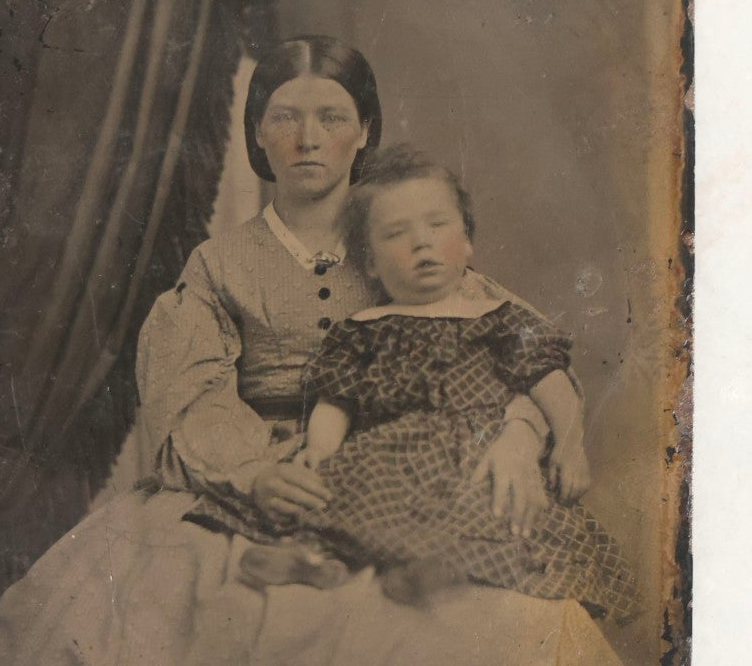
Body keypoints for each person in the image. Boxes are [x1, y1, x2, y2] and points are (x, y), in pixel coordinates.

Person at [0, 36, 654, 666]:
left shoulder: (404, 236)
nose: (308, 139)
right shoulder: (218, 263)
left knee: (509, 631)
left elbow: (517, 344)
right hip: (247, 479)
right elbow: (191, 388)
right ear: (256, 134)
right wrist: (254, 470)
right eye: (284, 118)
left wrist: (517, 434)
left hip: (410, 487)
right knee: (151, 629)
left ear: (365, 131)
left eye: (331, 117)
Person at [224, 146, 641, 624]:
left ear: (466, 243)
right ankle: (315, 558)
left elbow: (551, 386)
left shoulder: (497, 320)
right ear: (372, 265)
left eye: (437, 226)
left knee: (497, 506)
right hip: (388, 452)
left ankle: (439, 569)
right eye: (396, 234)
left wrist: (571, 448)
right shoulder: (363, 328)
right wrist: (321, 447)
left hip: (474, 452)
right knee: (336, 491)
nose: (420, 244)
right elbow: (336, 398)